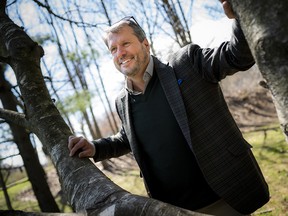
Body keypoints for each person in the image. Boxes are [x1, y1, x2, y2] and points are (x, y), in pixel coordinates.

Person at [68, 1, 270, 215]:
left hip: (225, 198)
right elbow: (127, 138)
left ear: (146, 44)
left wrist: (239, 15)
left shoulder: (187, 63)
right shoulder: (122, 101)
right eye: (113, 49)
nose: (120, 53)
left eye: (126, 43)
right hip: (171, 209)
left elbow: (237, 55)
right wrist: (95, 147)